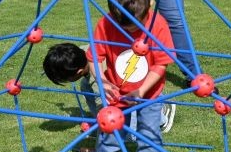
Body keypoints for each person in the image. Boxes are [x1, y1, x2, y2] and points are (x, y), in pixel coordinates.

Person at [86, 0, 175, 152]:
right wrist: (103, 81)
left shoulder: (158, 25)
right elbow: (95, 57)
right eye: (124, 27)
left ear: (149, 7)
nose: (130, 31)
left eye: (136, 25)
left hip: (150, 93)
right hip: (117, 94)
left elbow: (161, 64)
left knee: (150, 135)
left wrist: (141, 91)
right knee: (110, 135)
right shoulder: (106, 24)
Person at [43, 43, 176, 133]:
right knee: (85, 85)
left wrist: (105, 128)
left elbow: (105, 106)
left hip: (139, 88)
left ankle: (161, 113)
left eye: (66, 79)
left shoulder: (98, 82)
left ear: (78, 72)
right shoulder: (81, 51)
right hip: (128, 79)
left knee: (132, 134)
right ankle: (99, 120)